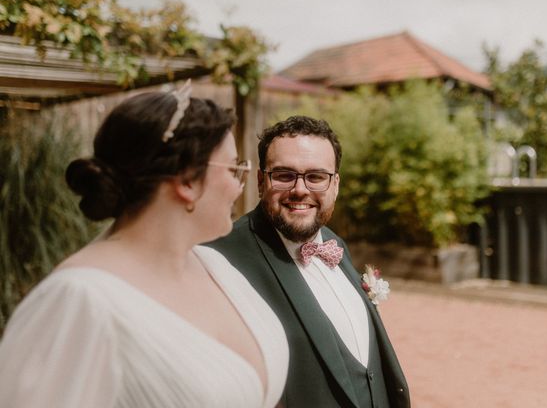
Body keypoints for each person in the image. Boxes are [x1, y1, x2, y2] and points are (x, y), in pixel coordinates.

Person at [0, 82, 288, 408]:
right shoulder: (77, 301)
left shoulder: (216, 266)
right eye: (235, 169)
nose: (240, 186)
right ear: (187, 180)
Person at [207, 115, 410, 408]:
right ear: (261, 181)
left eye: (316, 177)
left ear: (335, 184)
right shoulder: (222, 257)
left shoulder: (334, 243)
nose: (300, 189)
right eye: (284, 175)